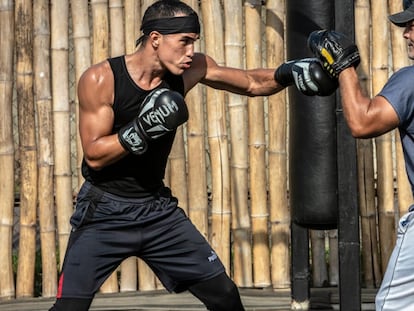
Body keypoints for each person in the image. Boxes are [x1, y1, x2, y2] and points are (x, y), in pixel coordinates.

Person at [49, 1, 337, 310]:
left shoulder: (190, 69)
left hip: (157, 211)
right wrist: (143, 129)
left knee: (225, 296)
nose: (190, 51)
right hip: (104, 211)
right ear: (155, 39)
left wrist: (288, 72)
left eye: (194, 43)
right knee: (69, 308)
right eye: (184, 42)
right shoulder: (101, 79)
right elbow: (94, 155)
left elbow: (252, 83)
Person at [308, 1, 414, 310]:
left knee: (391, 306)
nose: (407, 34)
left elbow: (362, 121)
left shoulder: (410, 81)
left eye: (412, 26)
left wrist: (344, 68)